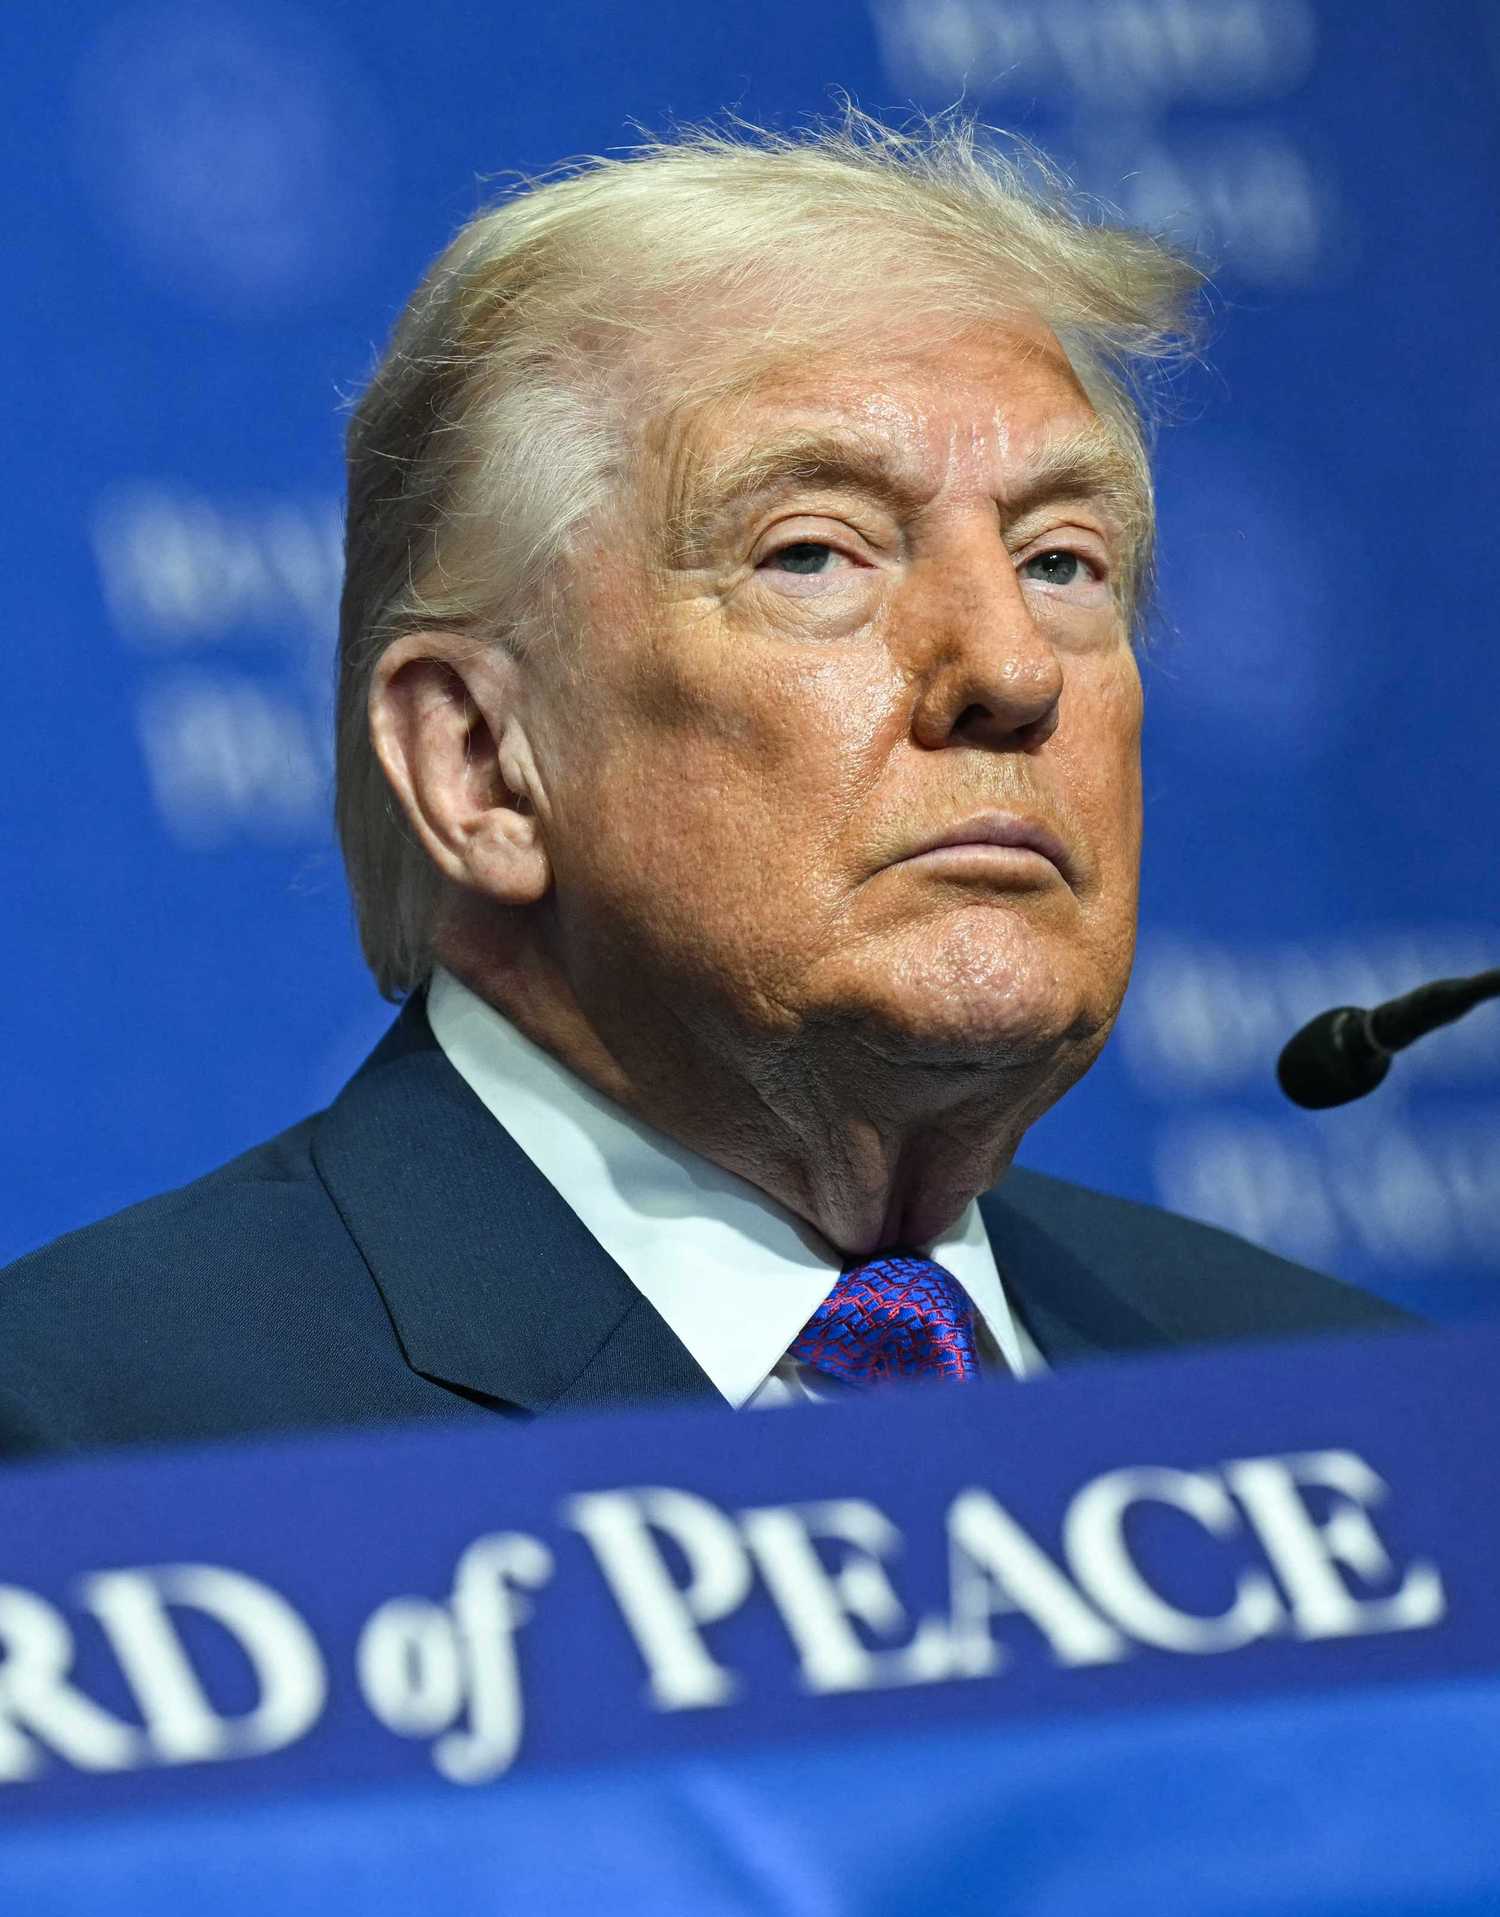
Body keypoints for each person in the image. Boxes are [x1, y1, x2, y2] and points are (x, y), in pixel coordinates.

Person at [0, 114, 1411, 1455]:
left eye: (1061, 562)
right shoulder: (102, 1446)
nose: (1012, 666)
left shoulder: (1348, 1409)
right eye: (814, 553)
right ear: (479, 762)